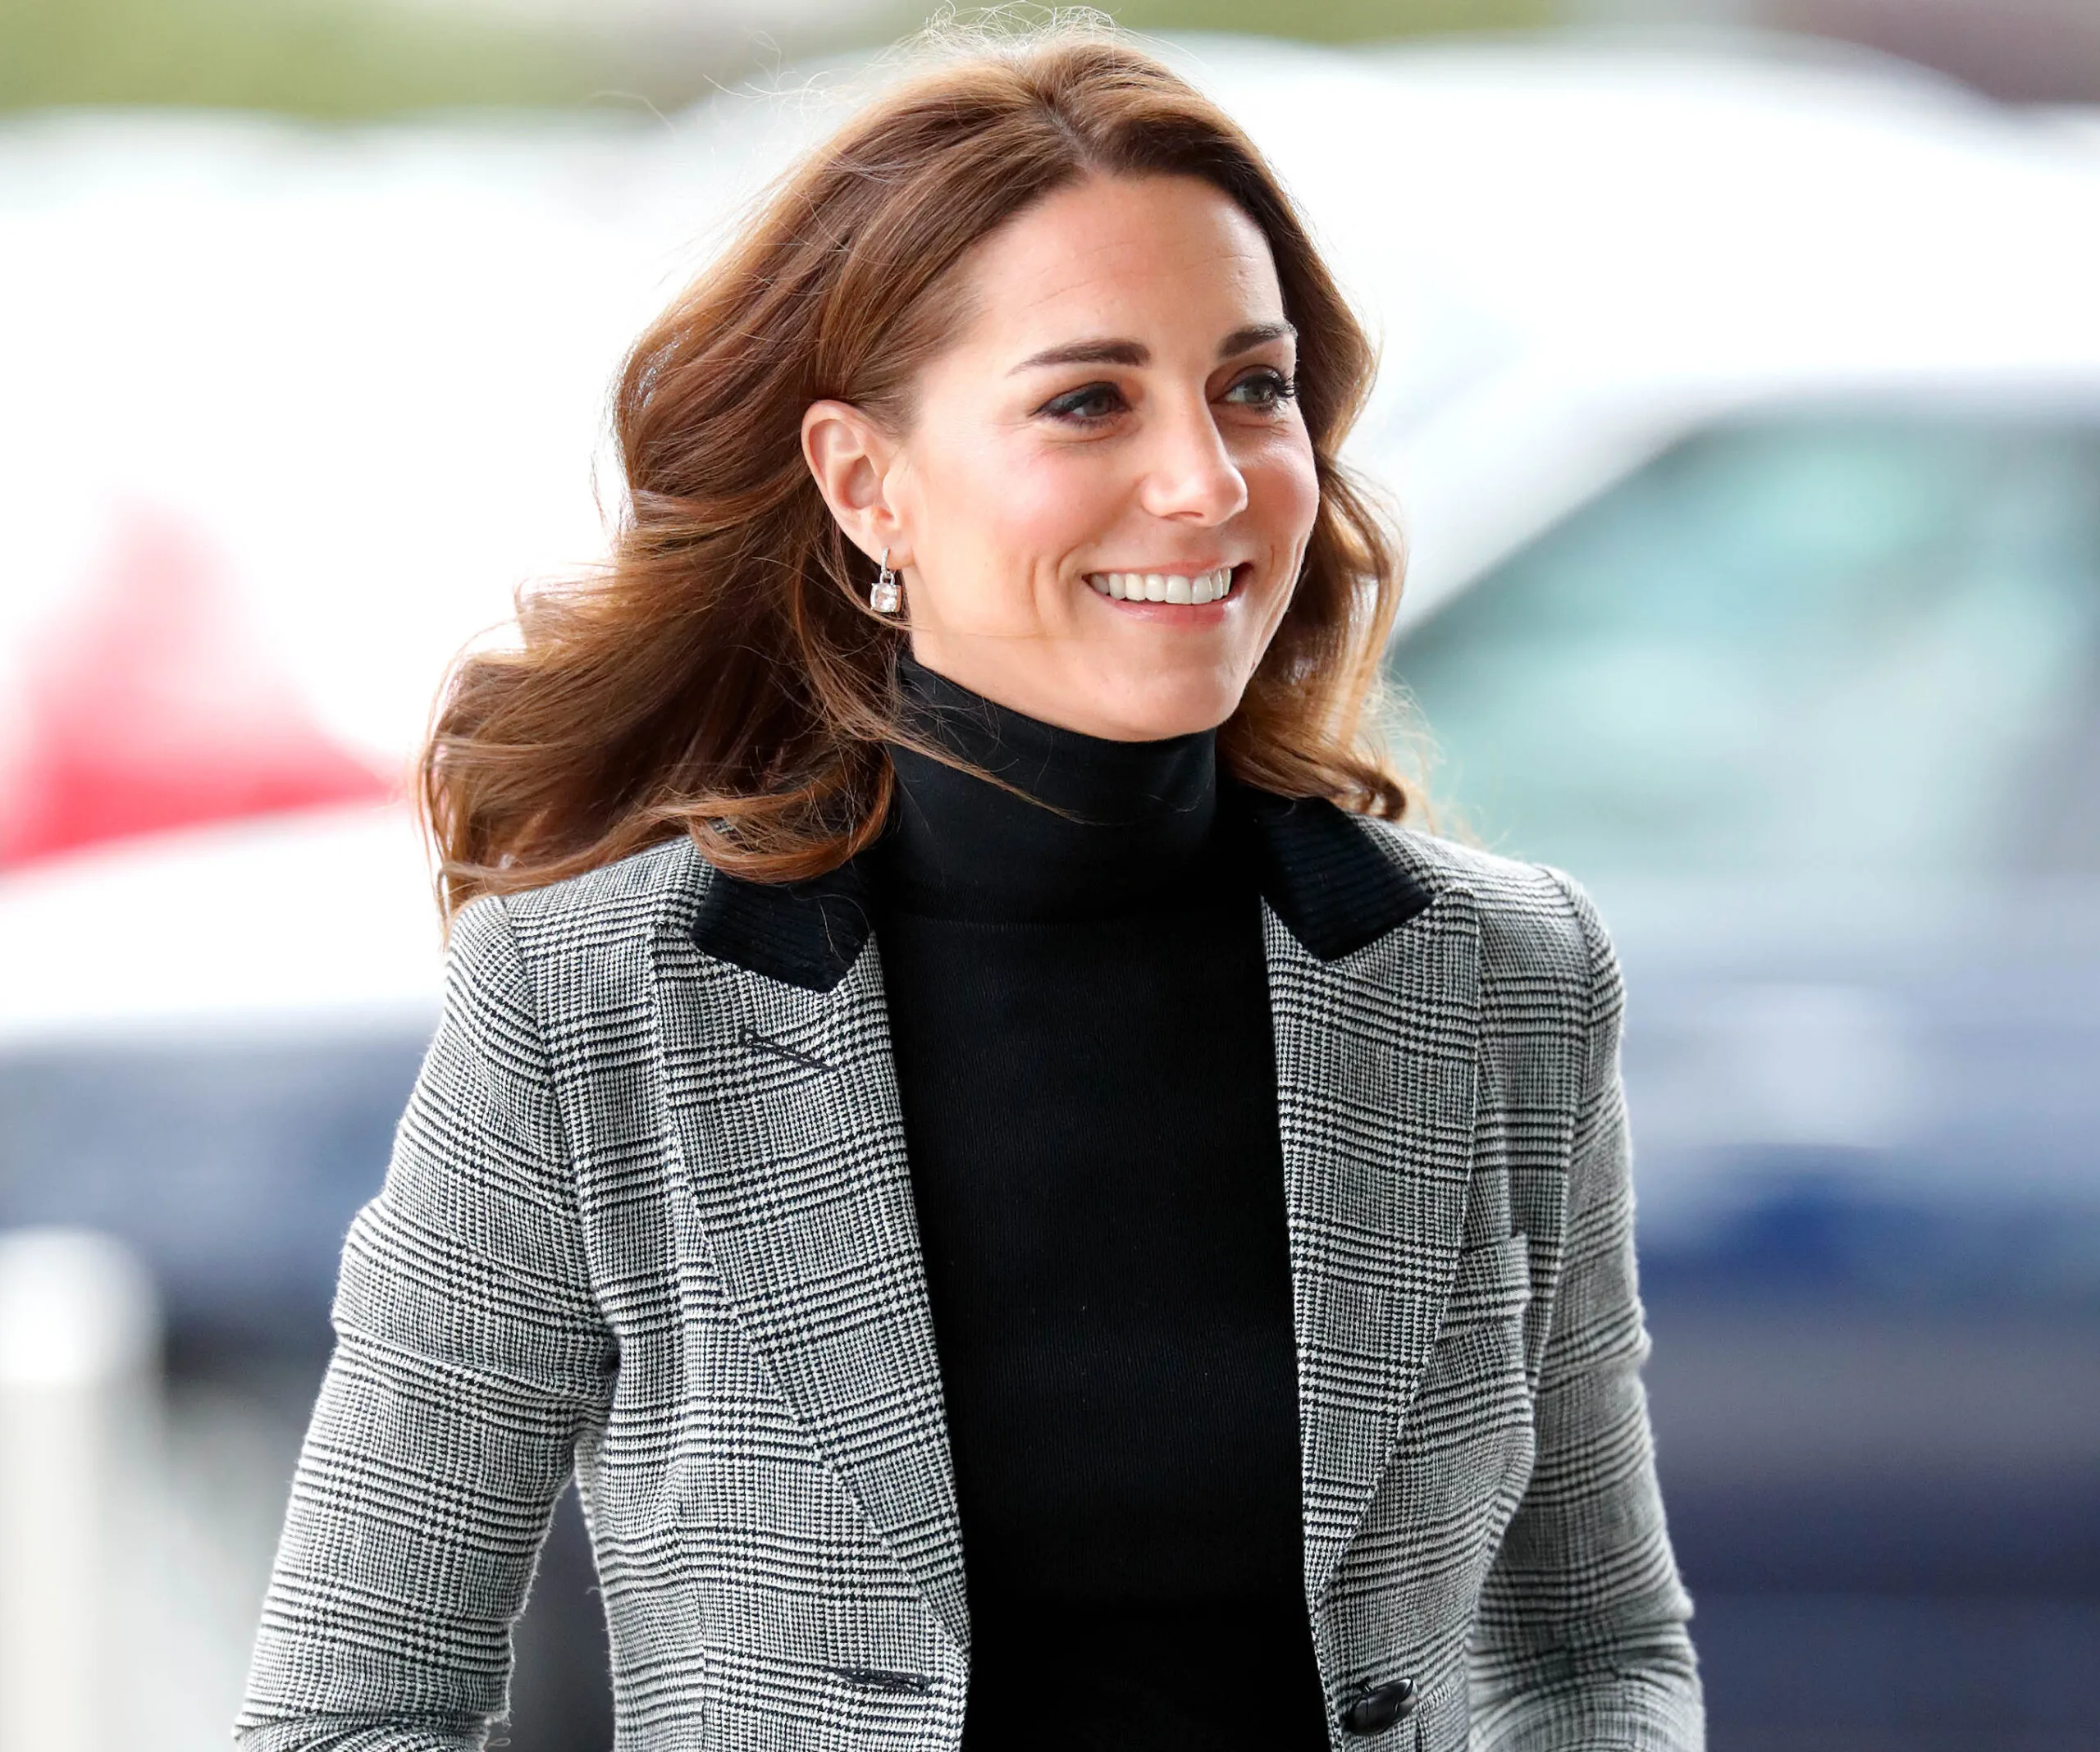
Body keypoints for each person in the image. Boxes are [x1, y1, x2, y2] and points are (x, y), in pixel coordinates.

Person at [236, 22, 1701, 1752]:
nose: (1207, 482)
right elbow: (354, 1699)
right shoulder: (588, 1015)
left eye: (1251, 386)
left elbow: (1591, 1649)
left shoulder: (1499, 979)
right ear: (866, 483)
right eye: (1088, 400)